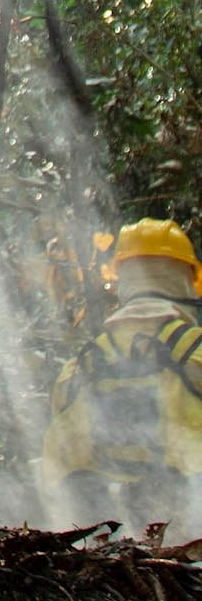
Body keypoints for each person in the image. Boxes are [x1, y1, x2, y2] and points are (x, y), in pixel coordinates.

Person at [43, 217, 202, 531]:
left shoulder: (78, 368)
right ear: (186, 282)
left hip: (97, 542)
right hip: (186, 537)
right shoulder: (195, 353)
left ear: (123, 283)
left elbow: (56, 467)